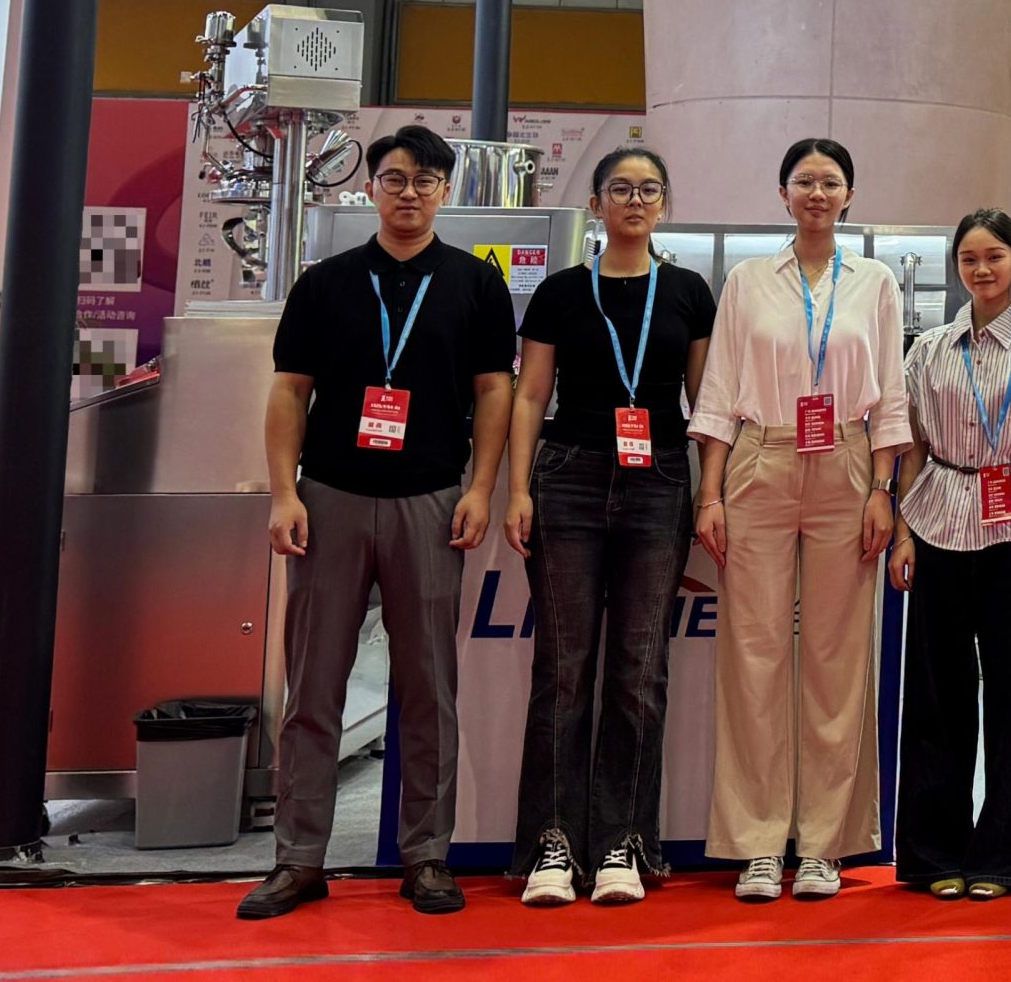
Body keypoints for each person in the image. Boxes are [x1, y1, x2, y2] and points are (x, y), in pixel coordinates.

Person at [240, 125, 517, 920]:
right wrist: (284, 493)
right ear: (370, 188)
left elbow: (494, 391)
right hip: (329, 497)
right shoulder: (325, 283)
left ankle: (426, 856)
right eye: (395, 178)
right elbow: (289, 390)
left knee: (429, 687)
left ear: (445, 191)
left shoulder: (476, 283)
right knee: (312, 686)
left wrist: (480, 487)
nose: (409, 192)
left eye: (426, 180)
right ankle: (298, 858)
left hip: (431, 500)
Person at [690, 139, 909, 902]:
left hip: (847, 462)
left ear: (849, 195)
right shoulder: (748, 280)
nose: (817, 192)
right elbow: (719, 392)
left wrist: (883, 486)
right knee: (752, 652)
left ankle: (823, 843)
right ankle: (756, 842)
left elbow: (891, 395)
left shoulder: (875, 281)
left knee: (835, 655)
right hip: (761, 459)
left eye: (831, 181)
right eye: (804, 180)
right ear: (783, 193)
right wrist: (710, 493)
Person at [505, 147, 714, 907]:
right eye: (620, 189)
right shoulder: (562, 290)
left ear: (664, 204)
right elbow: (531, 396)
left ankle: (625, 839)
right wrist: (517, 489)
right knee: (564, 669)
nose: (634, 200)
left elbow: (706, 405)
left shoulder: (688, 291)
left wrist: (713, 491)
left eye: (649, 189)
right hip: (568, 476)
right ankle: (553, 841)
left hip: (659, 482)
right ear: (595, 204)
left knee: (639, 669)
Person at [889, 209, 1011, 901]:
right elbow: (912, 449)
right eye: (969, 258)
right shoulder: (928, 350)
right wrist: (903, 531)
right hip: (939, 520)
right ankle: (934, 854)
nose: (982, 269)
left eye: (994, 255)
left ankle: (1006, 856)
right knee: (936, 698)